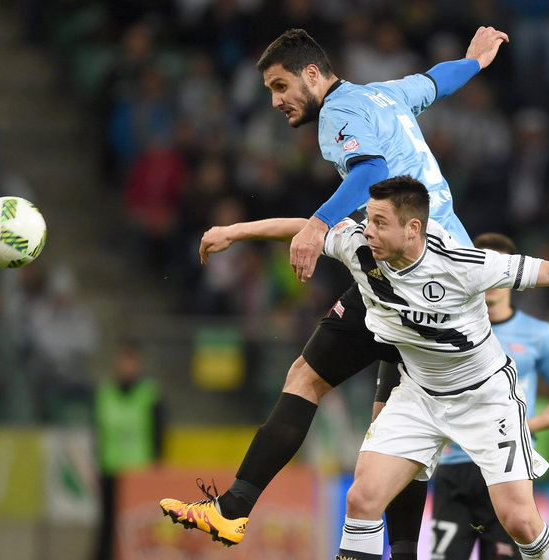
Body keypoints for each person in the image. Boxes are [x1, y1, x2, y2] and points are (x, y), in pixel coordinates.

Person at [160, 26, 509, 556]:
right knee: (388, 425)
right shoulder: (386, 94)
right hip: (447, 277)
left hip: (405, 275)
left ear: (313, 75)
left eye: (280, 87)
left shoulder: (339, 114)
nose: (277, 101)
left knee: (307, 379)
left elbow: (372, 169)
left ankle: (232, 510)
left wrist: (318, 224)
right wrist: (476, 62)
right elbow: (436, 82)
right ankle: (407, 549)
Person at [197, 176, 549, 560]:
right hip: (419, 396)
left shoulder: (464, 265)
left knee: (520, 522)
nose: (368, 230)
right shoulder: (359, 247)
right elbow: (308, 227)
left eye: (380, 222)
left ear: (414, 229)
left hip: (484, 398)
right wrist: (234, 232)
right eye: (368, 219)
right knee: (363, 500)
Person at [429, 232, 549, 560]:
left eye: (499, 269)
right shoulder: (448, 327)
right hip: (454, 467)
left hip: (507, 467)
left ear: (512, 275)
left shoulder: (539, 334)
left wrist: (528, 425)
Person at [94, 340, 165, 560]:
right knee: (108, 525)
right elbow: (98, 432)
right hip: (111, 468)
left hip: (139, 472)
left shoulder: (149, 394)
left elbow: (158, 433)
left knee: (137, 526)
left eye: (131, 361)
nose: (126, 366)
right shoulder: (105, 393)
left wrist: (156, 466)